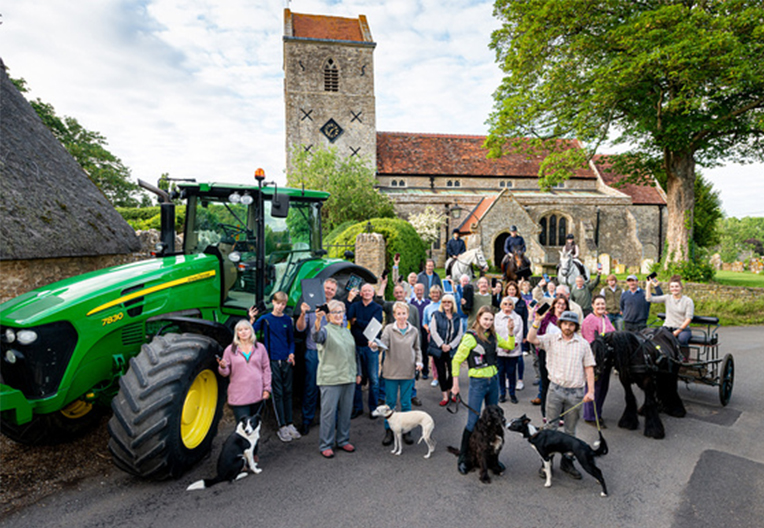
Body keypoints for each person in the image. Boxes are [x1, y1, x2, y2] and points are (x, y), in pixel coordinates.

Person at [527, 309, 595, 480]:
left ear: (575, 326)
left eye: (571, 324)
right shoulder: (551, 339)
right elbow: (531, 339)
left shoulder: (583, 344)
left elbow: (589, 368)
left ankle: (567, 462)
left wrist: (591, 391)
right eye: (565, 324)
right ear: (560, 324)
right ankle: (546, 463)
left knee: (570, 431)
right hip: (555, 390)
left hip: (576, 392)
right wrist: (536, 321)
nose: (567, 327)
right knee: (550, 427)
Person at [452, 305, 515, 474]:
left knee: (494, 421)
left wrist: (510, 331)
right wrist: (455, 384)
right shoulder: (470, 337)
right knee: (473, 421)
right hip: (478, 383)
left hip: (493, 382)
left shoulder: (493, 336)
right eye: (485, 318)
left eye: (490, 319)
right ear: (478, 318)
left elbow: (510, 346)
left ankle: (492, 459)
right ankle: (463, 458)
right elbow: (456, 360)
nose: (488, 322)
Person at [312, 300, 362, 458]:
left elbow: (354, 354)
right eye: (335, 312)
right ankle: (325, 444)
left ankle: (343, 439)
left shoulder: (347, 331)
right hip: (331, 378)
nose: (339, 315)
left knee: (346, 411)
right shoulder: (325, 330)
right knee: (328, 413)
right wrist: (318, 321)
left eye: (341, 312)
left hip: (349, 377)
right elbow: (316, 337)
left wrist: (358, 373)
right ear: (328, 316)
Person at [370, 302, 423, 446]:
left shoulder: (414, 331)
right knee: (390, 403)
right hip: (391, 372)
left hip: (408, 372)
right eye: (398, 314)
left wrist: (419, 362)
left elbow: (417, 349)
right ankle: (389, 431)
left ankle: (407, 431)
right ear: (394, 315)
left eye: (404, 313)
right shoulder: (388, 329)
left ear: (408, 314)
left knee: (406, 403)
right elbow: (383, 344)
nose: (401, 316)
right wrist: (375, 345)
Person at [295, 278, 341, 435]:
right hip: (314, 352)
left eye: (332, 290)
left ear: (335, 292)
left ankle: (332, 421)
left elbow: (341, 328)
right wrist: (302, 313)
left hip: (331, 353)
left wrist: (328, 314)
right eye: (327, 288)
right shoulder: (310, 304)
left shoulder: (338, 307)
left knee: (331, 389)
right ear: (322, 289)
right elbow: (301, 329)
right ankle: (307, 420)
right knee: (310, 387)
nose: (329, 291)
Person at [251, 291, 298, 443]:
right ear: (273, 302)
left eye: (283, 304)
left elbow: (291, 341)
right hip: (271, 361)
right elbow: (251, 334)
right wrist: (251, 319)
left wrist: (291, 353)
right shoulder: (265, 319)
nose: (280, 307)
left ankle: (290, 423)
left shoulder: (287, 320)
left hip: (286, 361)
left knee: (288, 392)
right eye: (278, 303)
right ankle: (282, 426)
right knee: (277, 393)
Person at [217, 319, 272, 423]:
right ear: (237, 333)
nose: (243, 332)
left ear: (251, 331)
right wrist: (223, 367)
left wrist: (267, 389)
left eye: (246, 329)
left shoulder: (260, 348)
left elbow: (267, 369)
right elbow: (225, 373)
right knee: (243, 429)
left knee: (254, 429)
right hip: (239, 396)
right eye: (240, 330)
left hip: (257, 393)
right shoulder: (230, 350)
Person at [348, 283, 384, 419]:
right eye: (364, 291)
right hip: (356, 346)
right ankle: (358, 408)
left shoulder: (378, 308)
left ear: (373, 293)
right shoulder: (355, 306)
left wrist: (357, 322)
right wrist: (363, 323)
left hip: (371, 347)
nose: (367, 293)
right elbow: (349, 317)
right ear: (361, 293)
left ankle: (373, 408)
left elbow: (375, 325)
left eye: (369, 290)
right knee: (357, 378)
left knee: (374, 379)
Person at [581, 295, 615, 426]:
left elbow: (612, 333)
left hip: (605, 359)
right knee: (594, 388)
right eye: (598, 304)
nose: (601, 306)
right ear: (593, 305)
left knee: (603, 388)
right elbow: (591, 344)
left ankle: (597, 413)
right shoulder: (589, 320)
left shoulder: (604, 318)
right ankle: (590, 416)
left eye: (603, 304)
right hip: (595, 360)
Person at [428, 294, 463, 406]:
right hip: (439, 349)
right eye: (444, 302)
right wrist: (442, 344)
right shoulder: (436, 315)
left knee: (453, 372)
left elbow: (459, 334)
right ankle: (445, 396)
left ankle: (450, 391)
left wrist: (451, 346)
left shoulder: (457, 318)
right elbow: (433, 331)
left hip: (452, 349)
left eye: (449, 302)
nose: (446, 304)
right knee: (441, 372)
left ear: (453, 304)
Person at [646, 275, 695, 350]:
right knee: (656, 337)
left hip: (682, 329)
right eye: (672, 287)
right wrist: (648, 285)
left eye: (676, 286)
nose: (674, 288)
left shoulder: (688, 301)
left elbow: (688, 318)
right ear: (669, 288)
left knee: (682, 340)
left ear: (681, 287)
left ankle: (684, 358)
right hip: (668, 327)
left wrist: (677, 332)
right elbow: (649, 299)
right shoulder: (667, 298)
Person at [495, 296, 523, 404]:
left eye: (510, 304)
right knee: (500, 373)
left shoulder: (518, 318)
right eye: (505, 304)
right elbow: (494, 333)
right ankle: (502, 393)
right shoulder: (496, 317)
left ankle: (512, 394)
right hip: (500, 350)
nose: (507, 306)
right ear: (501, 305)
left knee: (511, 373)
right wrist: (503, 346)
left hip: (513, 351)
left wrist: (511, 346)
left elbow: (519, 334)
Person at [503, 280, 528, 390]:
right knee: (507, 358)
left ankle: (520, 380)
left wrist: (524, 336)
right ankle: (508, 378)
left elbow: (525, 319)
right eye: (510, 290)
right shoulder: (503, 302)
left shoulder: (521, 303)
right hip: (506, 333)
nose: (512, 291)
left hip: (519, 332)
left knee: (519, 358)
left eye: (513, 289)